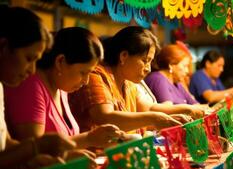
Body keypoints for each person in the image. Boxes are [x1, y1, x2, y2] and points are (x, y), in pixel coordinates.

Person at [4, 27, 126, 150]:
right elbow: (37, 152)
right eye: (83, 73)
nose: (86, 81)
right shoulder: (30, 85)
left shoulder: (61, 89)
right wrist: (89, 139)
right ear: (60, 62)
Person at [69, 26, 205, 135]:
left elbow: (149, 107)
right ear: (123, 56)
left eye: (150, 62)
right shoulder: (95, 75)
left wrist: (184, 111)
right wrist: (154, 118)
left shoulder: (128, 82)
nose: (148, 69)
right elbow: (105, 117)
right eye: (145, 61)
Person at [0, 5, 77, 169]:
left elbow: (4, 144)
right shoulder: (31, 85)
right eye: (29, 58)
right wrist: (36, 147)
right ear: (3, 47)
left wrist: (36, 161)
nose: (32, 70)